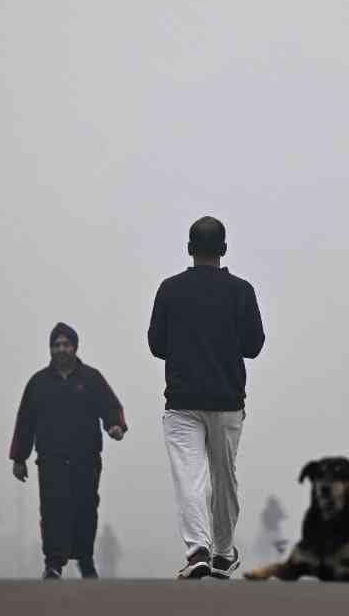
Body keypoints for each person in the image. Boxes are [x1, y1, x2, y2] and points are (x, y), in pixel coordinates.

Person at [149, 216, 265, 579]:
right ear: (225, 250)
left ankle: (197, 549)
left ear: (188, 249)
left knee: (190, 477)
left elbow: (156, 345)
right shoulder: (241, 291)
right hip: (227, 400)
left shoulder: (169, 289)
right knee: (224, 478)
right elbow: (254, 346)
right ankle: (223, 552)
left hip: (182, 400)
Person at [10, 322, 127, 580]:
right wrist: (19, 458)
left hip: (86, 460)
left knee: (85, 509)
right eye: (56, 345)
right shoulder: (38, 383)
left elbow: (111, 406)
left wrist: (115, 426)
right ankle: (53, 563)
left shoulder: (91, 379)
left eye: (66, 344)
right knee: (52, 511)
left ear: (75, 347)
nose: (61, 349)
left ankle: (85, 560)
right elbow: (25, 421)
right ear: (51, 349)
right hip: (50, 461)